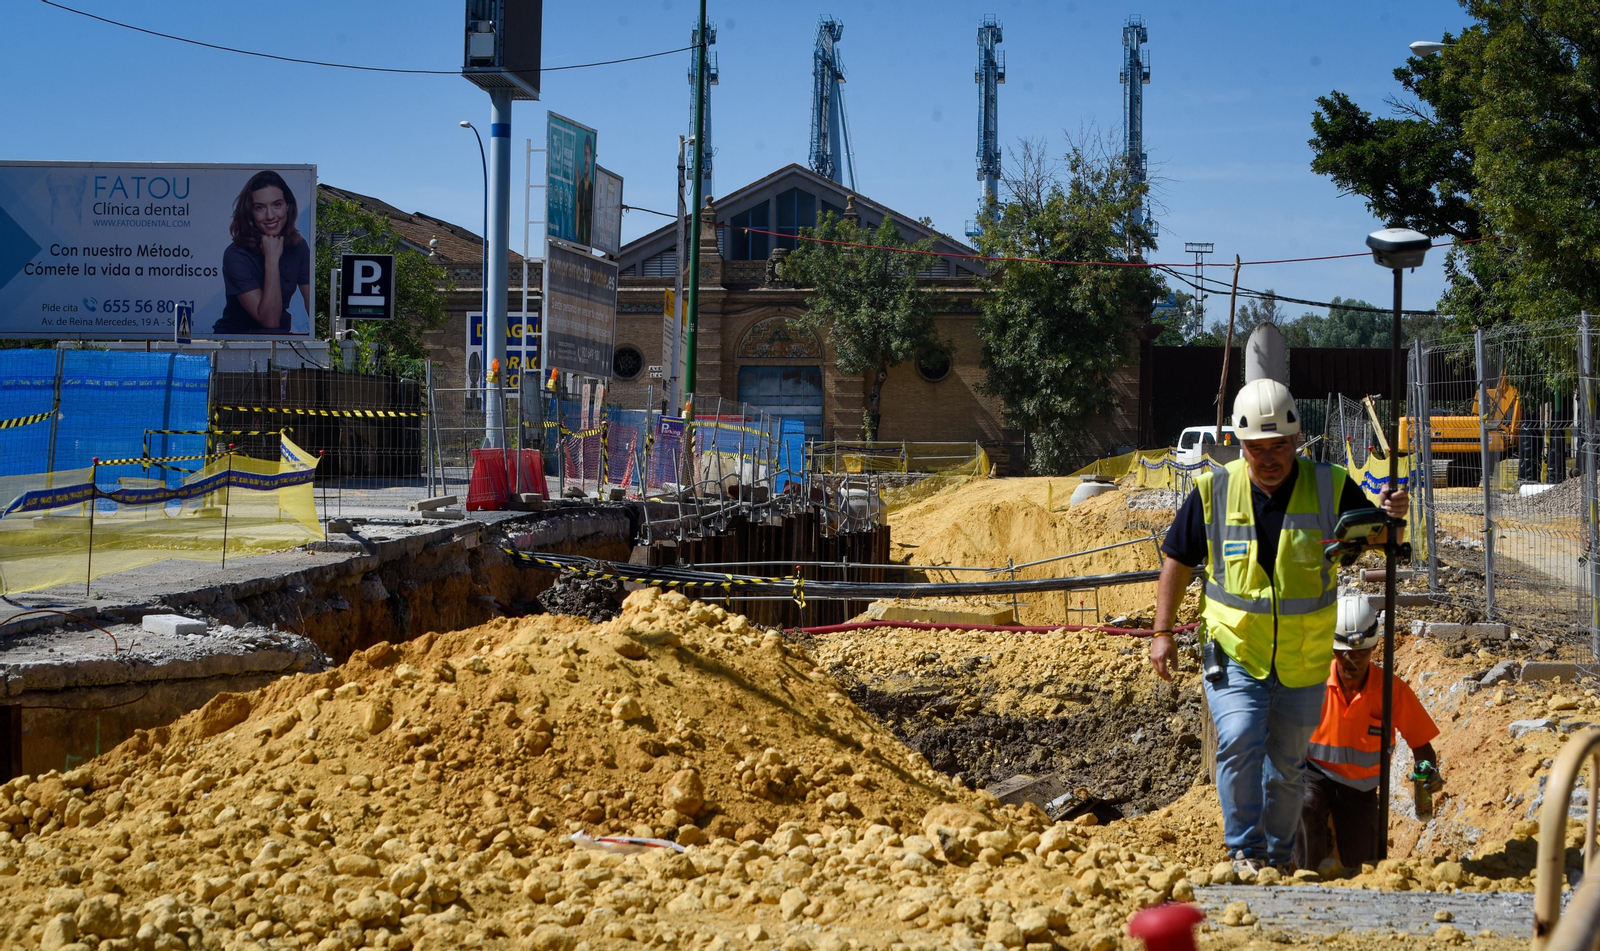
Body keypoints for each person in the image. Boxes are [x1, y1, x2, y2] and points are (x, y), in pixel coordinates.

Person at [1149, 378, 1408, 873]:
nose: (1268, 459)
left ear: (1297, 441)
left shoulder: (1329, 483)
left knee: (1288, 768)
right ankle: (1244, 851)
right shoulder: (1213, 490)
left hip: (1304, 659)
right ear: (1240, 446)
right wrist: (1162, 633)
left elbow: (1381, 537)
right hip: (1233, 650)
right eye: (1256, 449)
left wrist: (1394, 517)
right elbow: (1176, 561)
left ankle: (1277, 857)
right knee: (1241, 737)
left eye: (1279, 447)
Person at [1295, 596, 1441, 871]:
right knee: (1304, 806)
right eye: (1344, 653)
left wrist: (1427, 769)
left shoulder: (1391, 691)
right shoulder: (1311, 683)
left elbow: (1423, 747)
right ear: (1333, 649)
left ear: (1374, 646)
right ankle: (1306, 876)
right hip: (1314, 775)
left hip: (1360, 789)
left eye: (1361, 652)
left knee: (1363, 867)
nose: (1352, 660)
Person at [214, 170, 310, 335]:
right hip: (236, 342)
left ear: (288, 206)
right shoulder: (235, 255)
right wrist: (272, 260)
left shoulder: (298, 246)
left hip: (280, 338)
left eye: (277, 205)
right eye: (260, 208)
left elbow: (312, 305)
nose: (270, 215)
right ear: (250, 211)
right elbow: (270, 321)